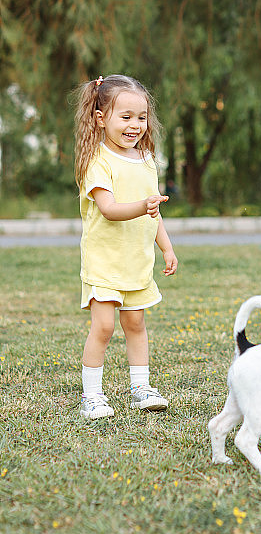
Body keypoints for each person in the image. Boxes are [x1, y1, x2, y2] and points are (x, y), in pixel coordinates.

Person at [74, 74, 178, 419]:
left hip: (137, 262)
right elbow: (110, 209)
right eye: (126, 117)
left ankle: (141, 388)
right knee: (103, 327)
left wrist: (166, 247)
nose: (135, 125)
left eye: (142, 117)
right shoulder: (97, 161)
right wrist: (144, 207)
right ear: (101, 118)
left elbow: (154, 211)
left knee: (136, 325)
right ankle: (92, 395)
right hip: (104, 263)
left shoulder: (147, 160)